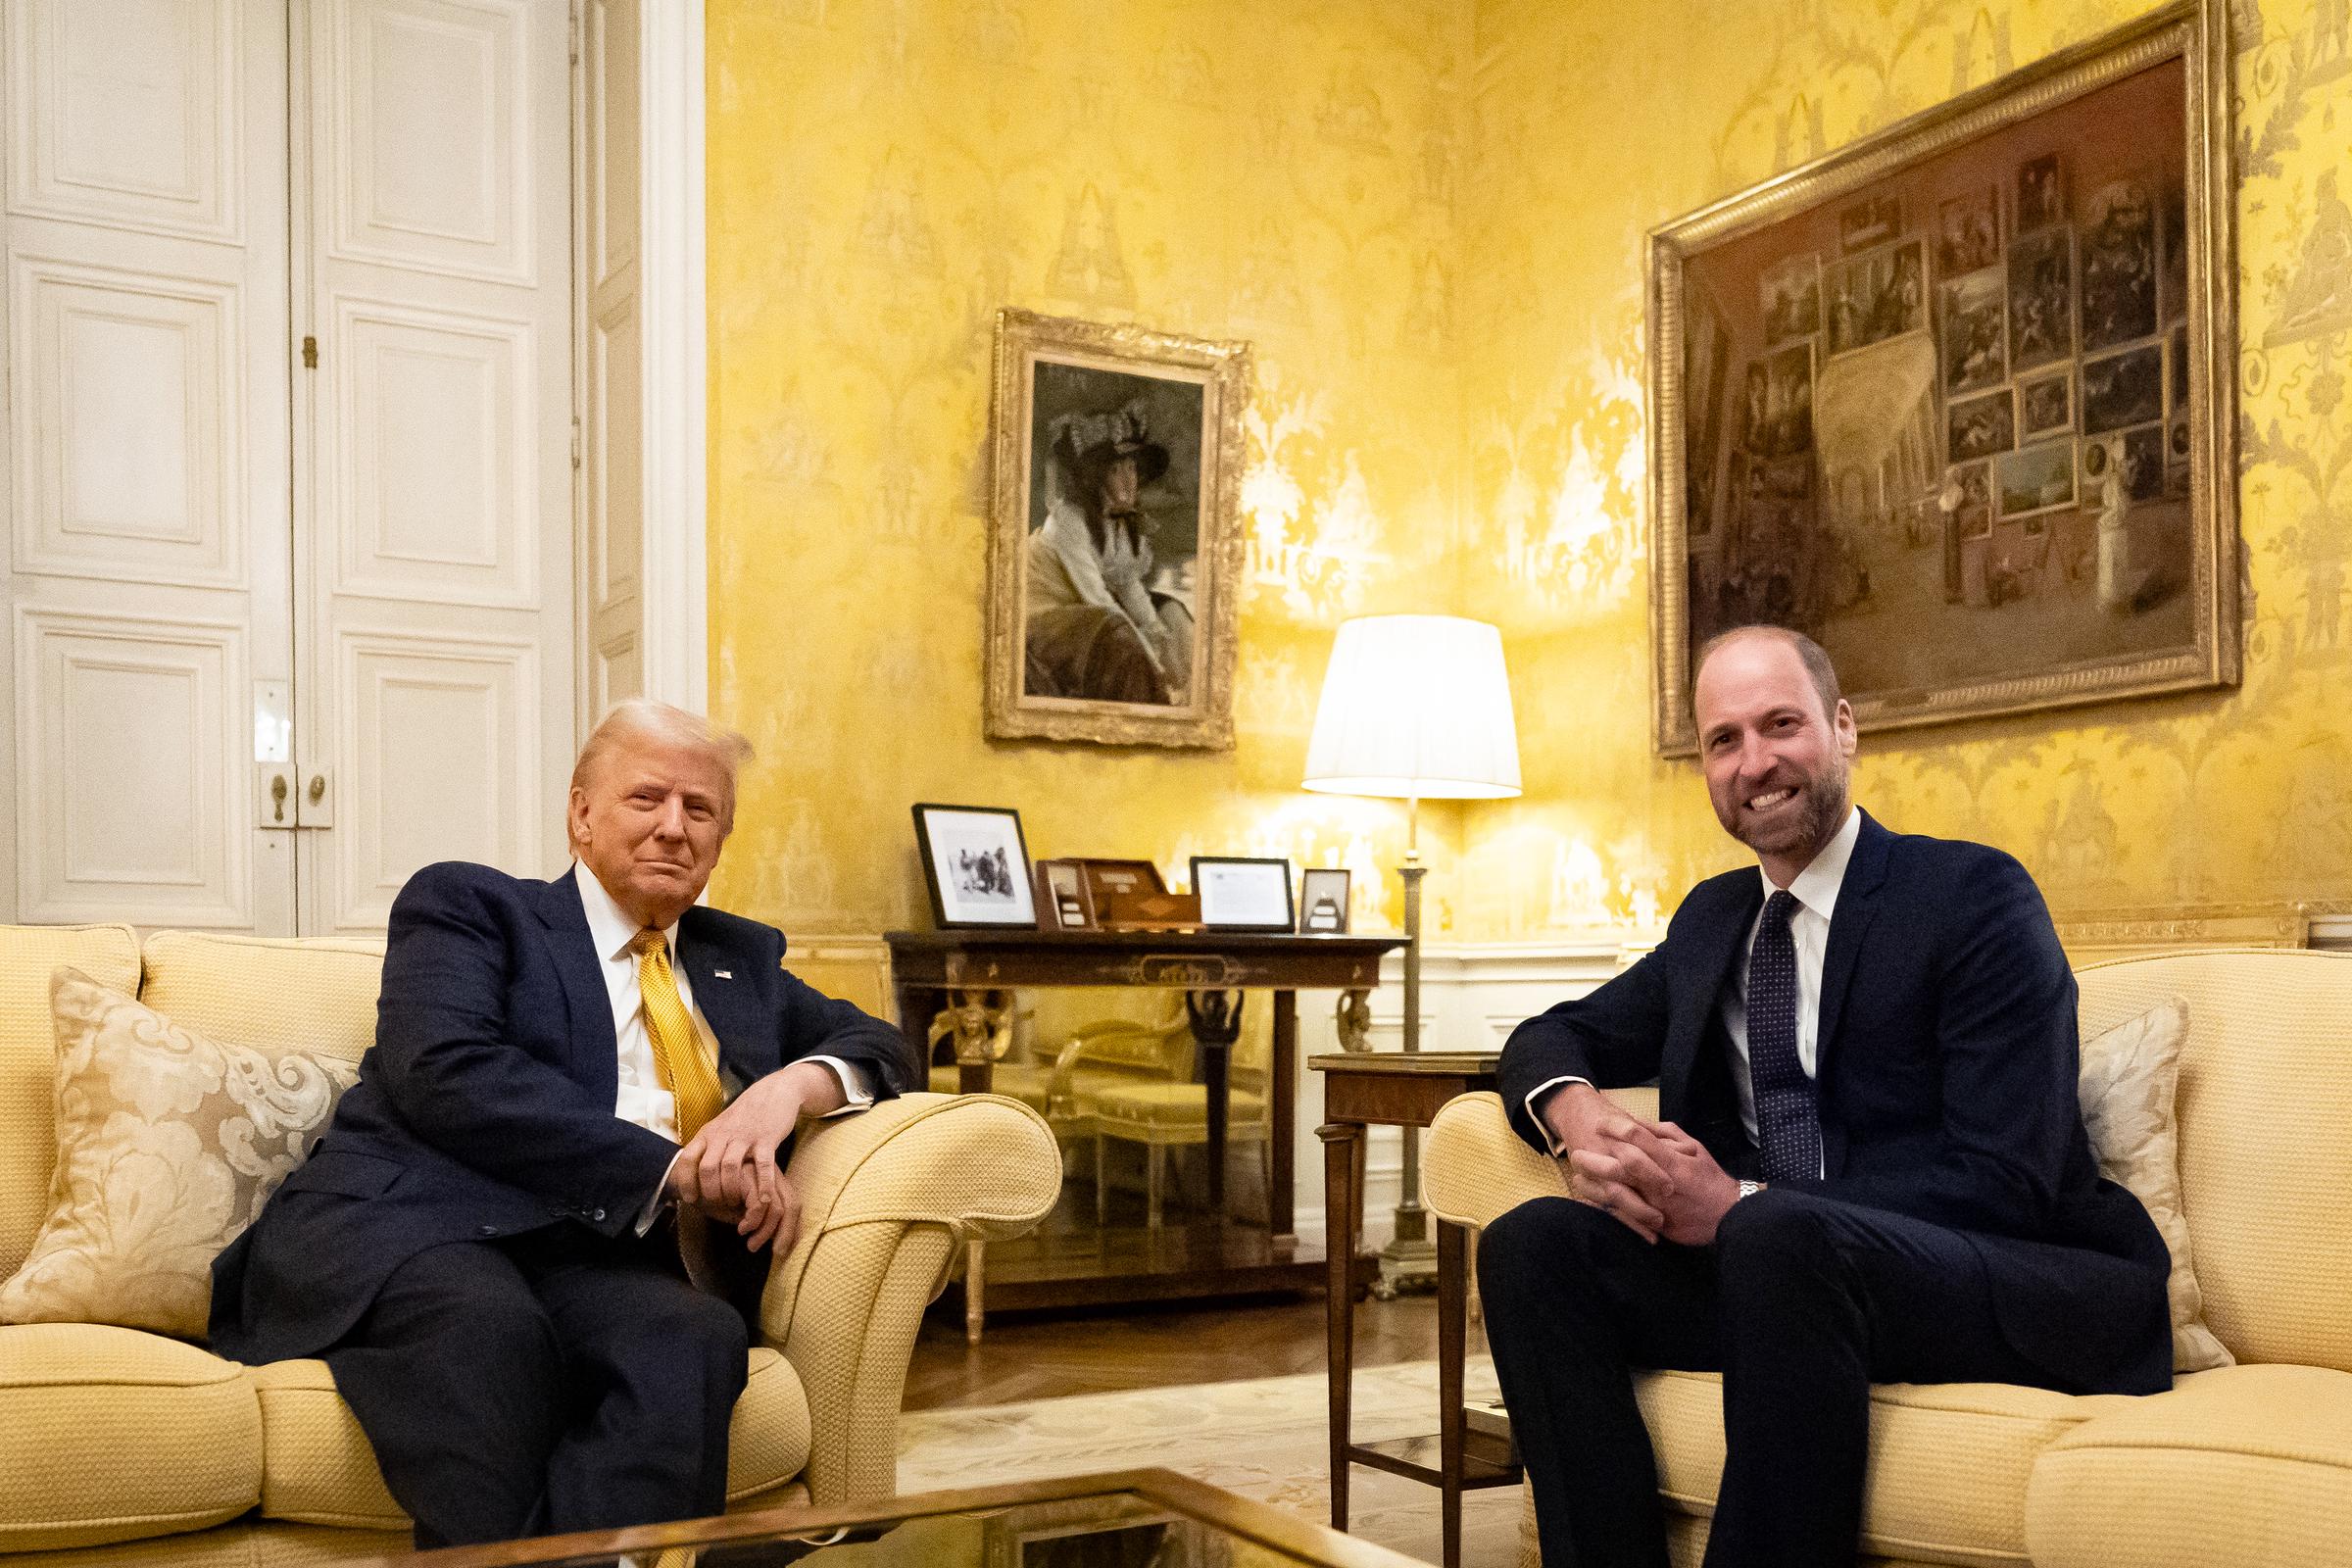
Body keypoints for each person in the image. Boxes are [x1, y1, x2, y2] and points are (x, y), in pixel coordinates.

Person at [1480, 626, 2170, 1568]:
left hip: (1999, 1272)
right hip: (1785, 1285)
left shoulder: (1971, 896)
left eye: (1781, 725)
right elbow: (1552, 1036)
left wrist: (1739, 1206)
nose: (1754, 762)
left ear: (1843, 729)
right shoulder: (1715, 919)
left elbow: (2011, 1178)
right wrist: (1574, 1117)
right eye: (1725, 740)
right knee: (1534, 1243)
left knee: (1772, 1233)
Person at [209, 700, 912, 1548]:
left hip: (595, 1257)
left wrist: (787, 1091)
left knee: (694, 1337)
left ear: (721, 841)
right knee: (490, 1333)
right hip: (421, 1229)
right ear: (581, 813)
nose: (673, 829)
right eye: (645, 799)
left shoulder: (739, 961)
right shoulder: (476, 909)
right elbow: (447, 1071)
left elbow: (881, 1043)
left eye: (701, 811)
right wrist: (676, 1170)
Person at [1023, 404, 1194, 705]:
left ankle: (1185, 695)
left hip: (1080, 605)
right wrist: (1152, 660)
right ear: (1096, 478)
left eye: (1131, 468)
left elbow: (1128, 583)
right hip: (1043, 612)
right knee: (1117, 636)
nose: (1129, 480)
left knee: (1172, 614)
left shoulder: (1117, 521)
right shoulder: (1068, 521)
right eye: (1116, 470)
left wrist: (1155, 632)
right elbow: (1096, 598)